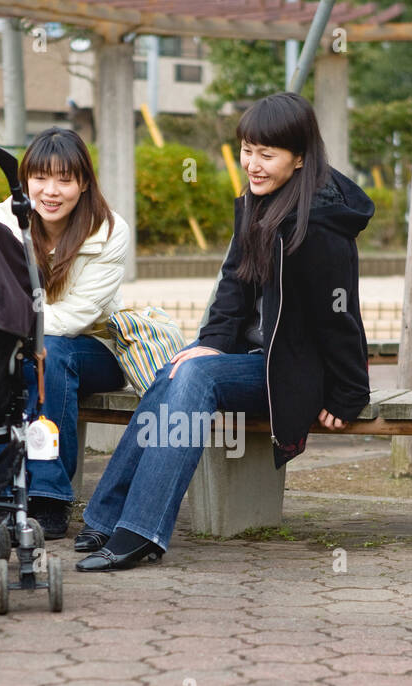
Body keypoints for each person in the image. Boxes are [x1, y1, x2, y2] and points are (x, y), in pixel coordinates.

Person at [75, 92, 373, 571]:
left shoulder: (320, 225)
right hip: (247, 357)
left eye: (266, 154)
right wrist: (209, 345)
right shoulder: (256, 205)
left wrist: (348, 393)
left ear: (299, 158)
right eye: (247, 150)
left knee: (197, 379)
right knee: (177, 369)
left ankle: (143, 530)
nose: (252, 164)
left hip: (290, 370)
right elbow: (232, 290)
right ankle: (106, 516)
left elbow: (338, 317)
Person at [0, 128, 130, 540]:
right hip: (25, 345)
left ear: (83, 183)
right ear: (25, 179)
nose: (51, 191)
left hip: (96, 349)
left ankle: (49, 496)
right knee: (13, 359)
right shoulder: (4, 221)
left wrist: (18, 329)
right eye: (40, 178)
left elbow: (74, 316)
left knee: (50, 350)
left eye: (64, 179)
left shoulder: (108, 231)